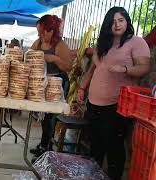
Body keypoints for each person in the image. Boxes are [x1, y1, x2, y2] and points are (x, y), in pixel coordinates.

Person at [78, 7, 150, 180]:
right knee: (95, 147)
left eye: (121, 20)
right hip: (94, 104)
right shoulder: (103, 44)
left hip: (116, 106)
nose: (117, 24)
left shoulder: (136, 42)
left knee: (114, 150)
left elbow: (145, 67)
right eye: (113, 21)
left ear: (127, 21)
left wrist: (125, 69)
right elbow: (92, 70)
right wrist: (81, 88)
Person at [29, 15, 72, 161]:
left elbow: (68, 66)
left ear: (52, 30)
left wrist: (54, 59)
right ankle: (43, 144)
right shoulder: (38, 43)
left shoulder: (60, 45)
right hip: (44, 83)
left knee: (51, 116)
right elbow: (29, 56)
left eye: (43, 32)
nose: (40, 35)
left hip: (58, 84)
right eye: (39, 32)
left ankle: (47, 149)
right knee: (44, 117)